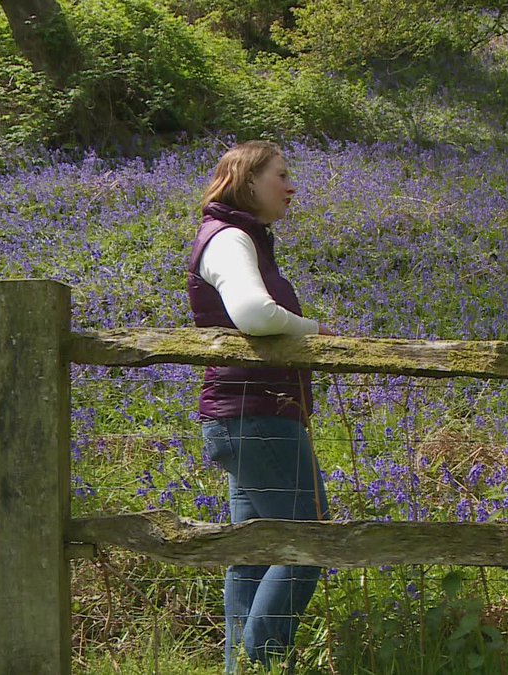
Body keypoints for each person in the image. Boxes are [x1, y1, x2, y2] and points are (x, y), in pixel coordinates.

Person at [188, 140, 332, 672]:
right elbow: (253, 313)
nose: (291, 186)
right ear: (247, 181)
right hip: (257, 414)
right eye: (281, 174)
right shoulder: (228, 239)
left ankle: (246, 669)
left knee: (253, 550)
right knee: (309, 536)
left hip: (245, 415)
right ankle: (264, 659)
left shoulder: (240, 239)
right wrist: (316, 332)